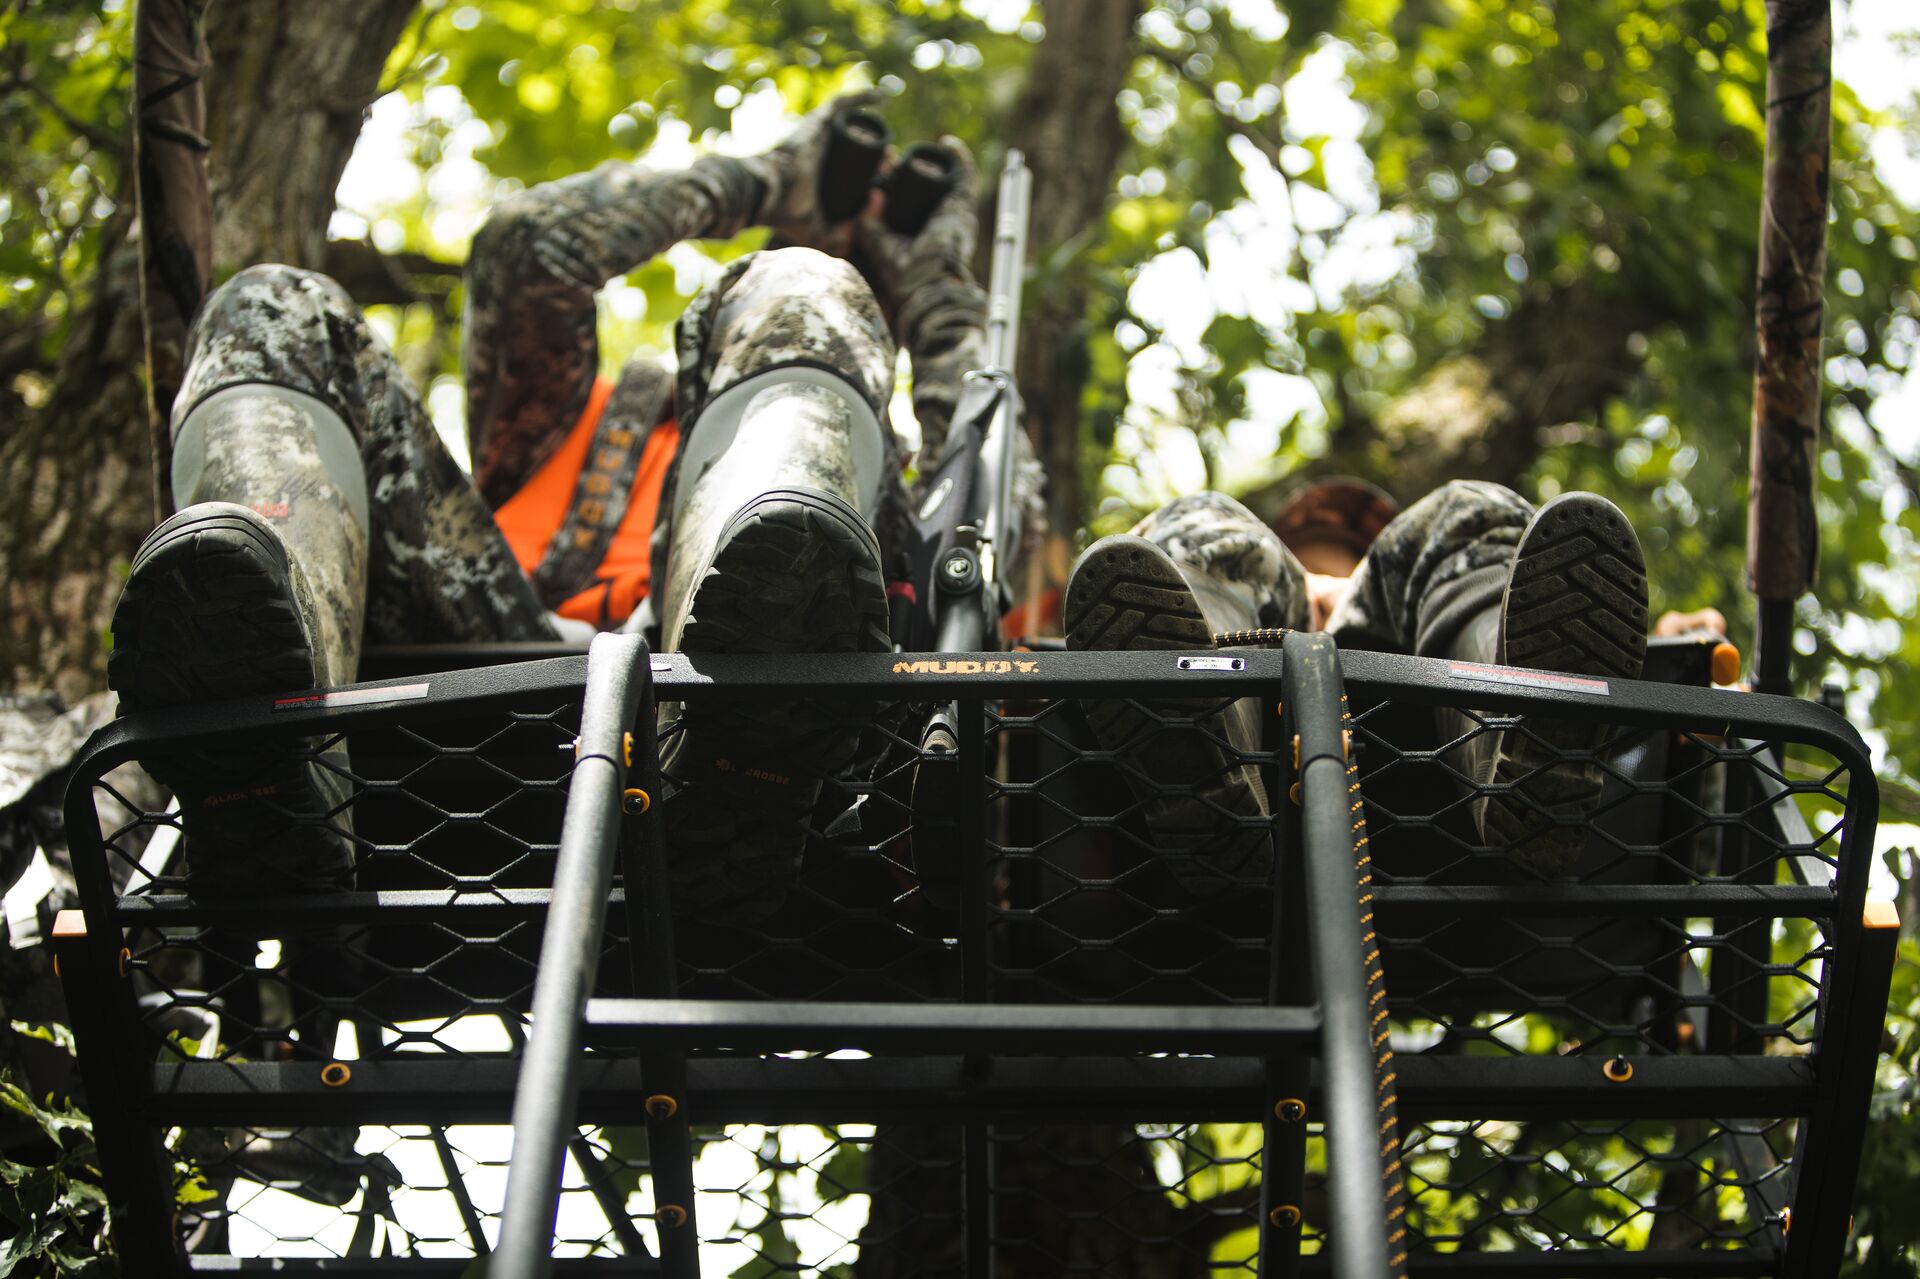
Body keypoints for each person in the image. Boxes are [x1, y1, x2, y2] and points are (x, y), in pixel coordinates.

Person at [105, 95, 991, 920]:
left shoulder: (874, 484)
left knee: (805, 284)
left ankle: (734, 751)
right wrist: (769, 180)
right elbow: (530, 247)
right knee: (270, 304)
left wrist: (928, 284)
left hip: (716, 737)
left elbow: (981, 457)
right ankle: (268, 760)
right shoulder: (574, 422)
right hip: (471, 690)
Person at [1064, 479, 1655, 882]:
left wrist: (1678, 642)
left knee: (1466, 512)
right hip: (1273, 694)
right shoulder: (1274, 575)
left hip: (1410, 688)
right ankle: (1200, 727)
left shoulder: (1392, 585)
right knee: (1210, 526)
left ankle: (1519, 730)